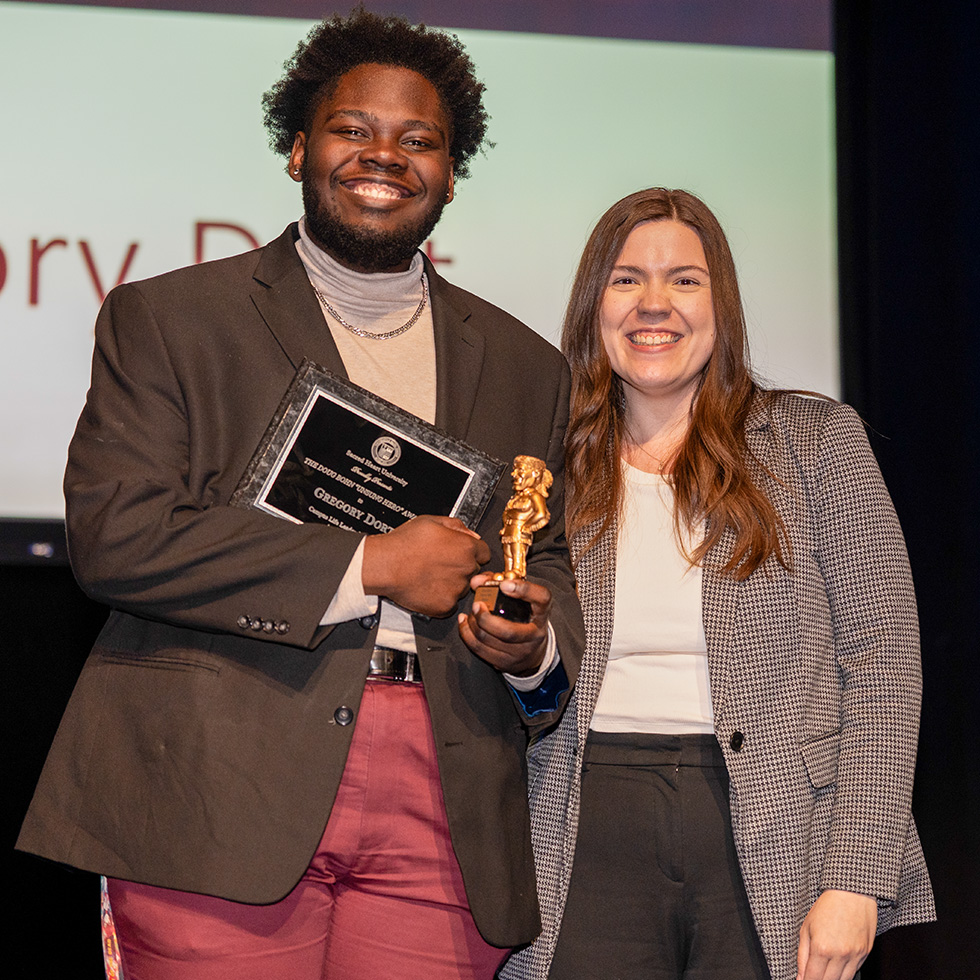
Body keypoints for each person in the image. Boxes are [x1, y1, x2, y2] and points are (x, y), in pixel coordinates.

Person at [17, 10, 583, 980]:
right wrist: (371, 563)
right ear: (296, 147)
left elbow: (551, 565)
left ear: (452, 172)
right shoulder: (173, 317)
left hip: (441, 790)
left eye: (419, 140)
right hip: (218, 772)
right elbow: (117, 535)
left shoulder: (528, 367)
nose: (383, 156)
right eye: (351, 128)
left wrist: (531, 646)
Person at [500, 188, 935, 980]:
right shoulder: (541, 461)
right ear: (593, 302)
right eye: (626, 279)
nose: (654, 304)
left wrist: (857, 876)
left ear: (720, 303)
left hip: (776, 822)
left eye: (684, 281)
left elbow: (884, 666)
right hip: (580, 817)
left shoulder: (815, 441)